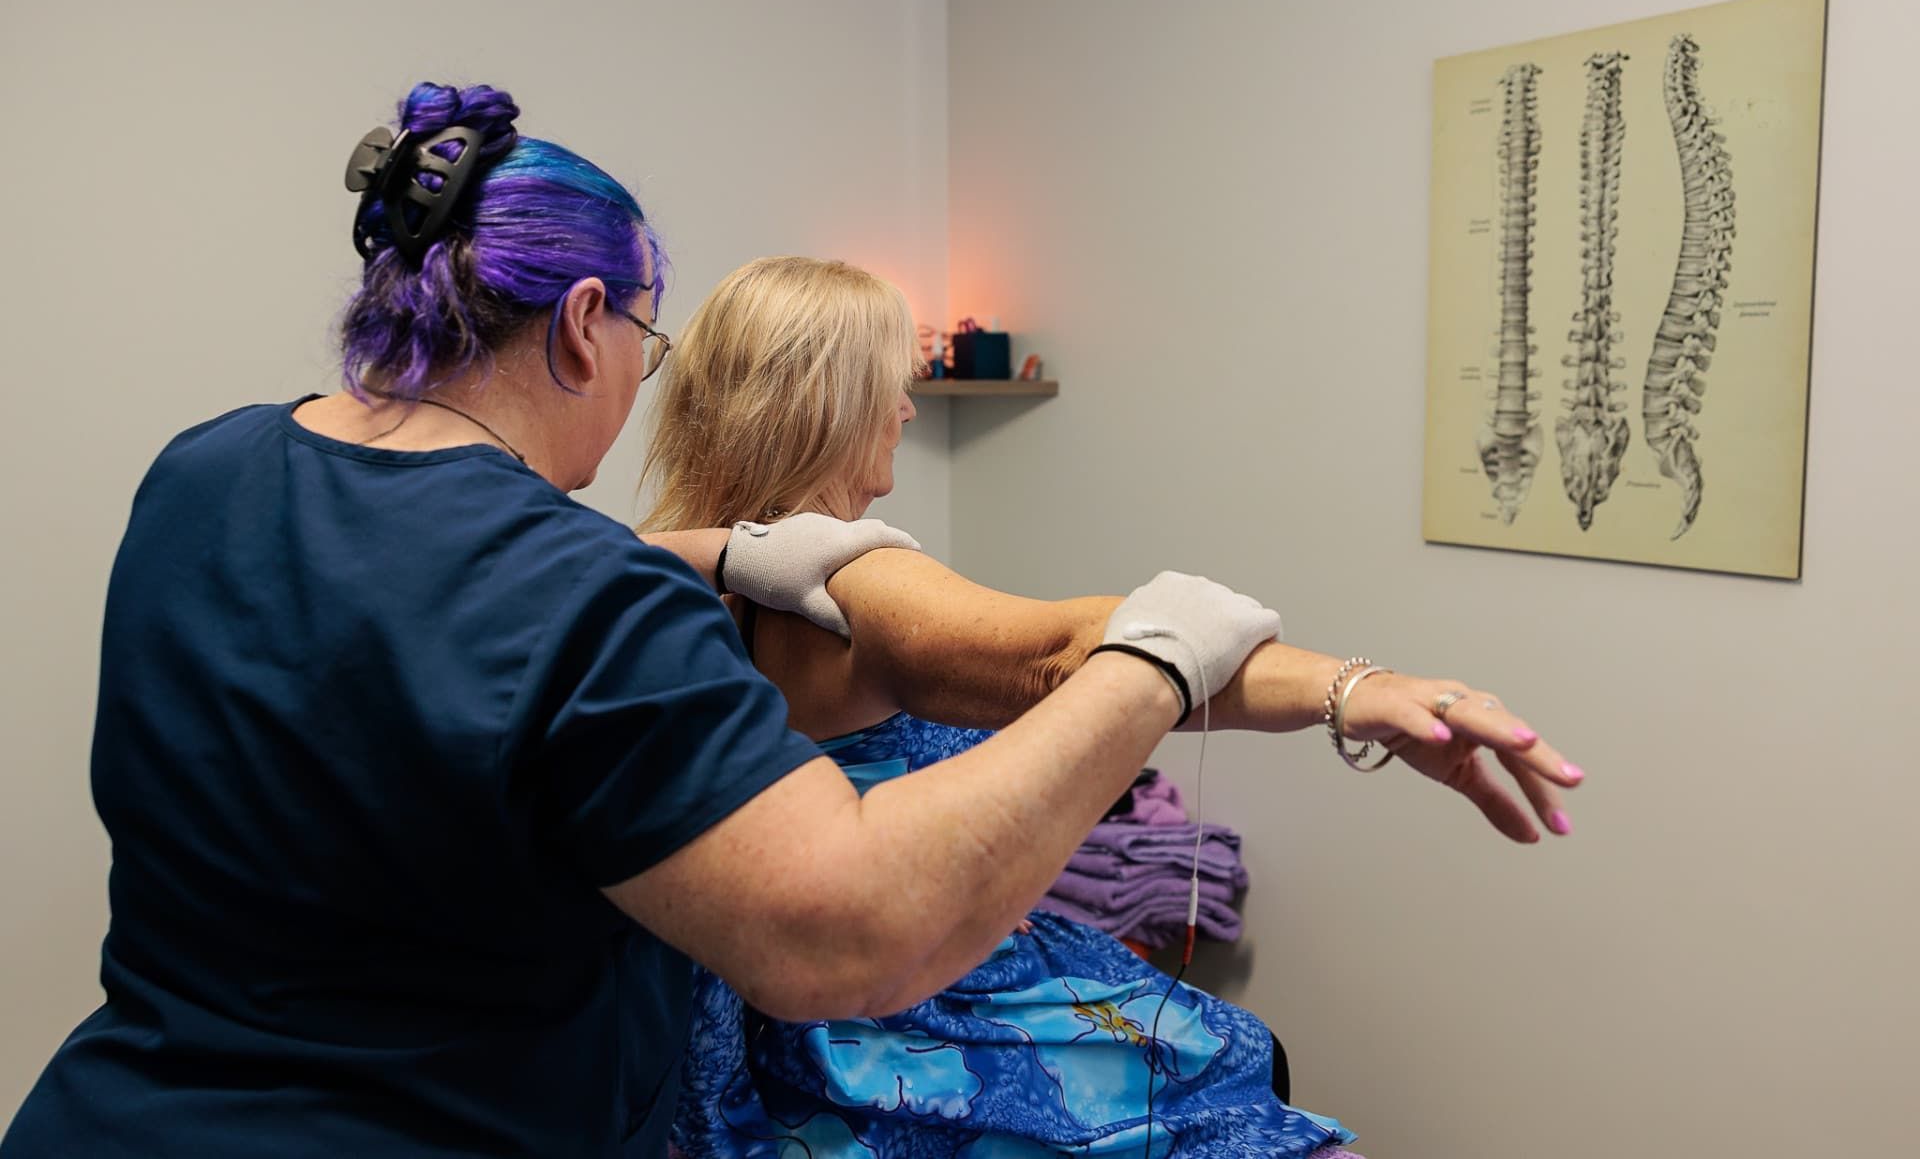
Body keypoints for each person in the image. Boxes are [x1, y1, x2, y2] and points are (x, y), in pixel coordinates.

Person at [0, 84, 1297, 1159]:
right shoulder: (579, 589)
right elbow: (847, 932)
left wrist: (712, 550)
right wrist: (1153, 659)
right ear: (581, 322)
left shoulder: (203, 473)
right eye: (645, 339)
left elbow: (406, 598)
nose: (640, 376)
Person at [638, 257, 1585, 1156]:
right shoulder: (852, 579)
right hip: (909, 1027)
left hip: (766, 1041)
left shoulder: (648, 579)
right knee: (1232, 1077)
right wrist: (1358, 690)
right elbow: (1070, 649)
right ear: (829, 406)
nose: (907, 406)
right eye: (890, 382)